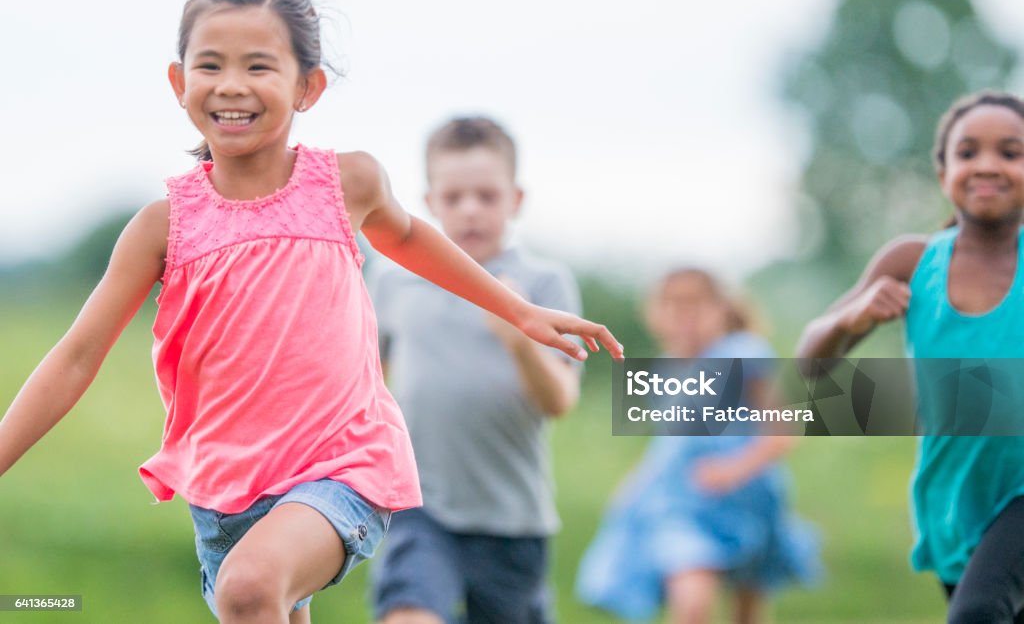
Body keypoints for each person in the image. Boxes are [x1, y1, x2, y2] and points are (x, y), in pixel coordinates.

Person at [0, 0, 621, 624]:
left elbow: (412, 240)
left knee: (248, 590)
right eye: (210, 64)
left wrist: (518, 310)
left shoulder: (345, 183)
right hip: (225, 492)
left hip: (344, 462)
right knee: (262, 598)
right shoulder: (162, 226)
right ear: (180, 83)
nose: (232, 84)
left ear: (308, 87)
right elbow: (76, 356)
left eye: (259, 66)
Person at [797, 90, 1024, 623]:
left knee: (976, 614)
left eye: (1010, 152)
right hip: (953, 500)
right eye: (968, 152)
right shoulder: (911, 261)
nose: (987, 165)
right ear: (943, 171)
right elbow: (812, 365)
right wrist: (847, 322)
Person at [367, 116, 582, 624]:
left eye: (486, 196)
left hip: (512, 518)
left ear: (516, 199)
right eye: (454, 196)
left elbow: (560, 401)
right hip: (419, 505)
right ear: (429, 202)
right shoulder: (395, 280)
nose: (470, 210)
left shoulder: (545, 283)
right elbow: (366, 377)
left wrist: (520, 340)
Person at [576, 268, 819, 624]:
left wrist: (735, 469)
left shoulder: (744, 353)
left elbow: (783, 430)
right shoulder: (664, 370)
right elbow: (671, 444)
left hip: (746, 500)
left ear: (721, 308)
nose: (683, 315)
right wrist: (635, 484)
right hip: (684, 504)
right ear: (653, 314)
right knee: (691, 598)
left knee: (748, 607)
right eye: (671, 305)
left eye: (695, 304)